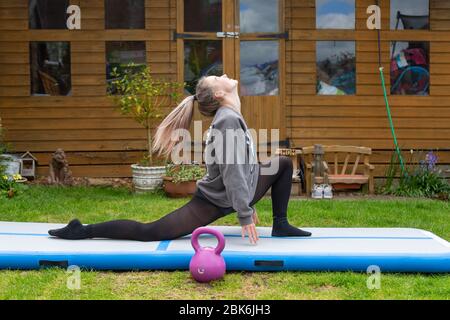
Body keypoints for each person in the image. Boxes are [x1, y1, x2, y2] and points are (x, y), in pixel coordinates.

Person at [48, 74, 312, 244]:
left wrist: (249, 199)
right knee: (150, 232)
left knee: (283, 163)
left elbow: (244, 163)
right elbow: (232, 171)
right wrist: (244, 211)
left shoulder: (230, 116)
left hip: (236, 189)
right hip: (214, 200)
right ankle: (83, 230)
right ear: (219, 94)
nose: (224, 75)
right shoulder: (228, 120)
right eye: (217, 78)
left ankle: (281, 224)